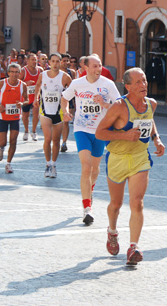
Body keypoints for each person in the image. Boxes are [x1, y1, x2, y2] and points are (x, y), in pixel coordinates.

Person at [95, 67, 165, 266]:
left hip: (139, 157)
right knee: (116, 204)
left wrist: (156, 139)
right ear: (127, 86)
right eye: (138, 82)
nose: (143, 85)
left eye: (144, 81)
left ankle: (134, 247)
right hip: (117, 158)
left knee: (137, 202)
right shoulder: (118, 107)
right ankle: (112, 231)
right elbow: (100, 133)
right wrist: (124, 135)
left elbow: (150, 122)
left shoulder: (151, 104)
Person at [61, 54, 121, 225]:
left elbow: (119, 106)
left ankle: (90, 189)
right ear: (85, 68)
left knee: (95, 169)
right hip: (81, 129)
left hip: (101, 131)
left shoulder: (107, 85)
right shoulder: (77, 83)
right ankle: (87, 208)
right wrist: (65, 111)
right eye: (94, 66)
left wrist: (104, 104)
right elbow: (65, 98)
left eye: (100, 66)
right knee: (86, 167)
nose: (98, 69)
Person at [33, 53, 72, 178]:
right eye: (53, 61)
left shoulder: (65, 77)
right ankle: (47, 164)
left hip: (58, 113)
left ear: (60, 63)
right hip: (45, 111)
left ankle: (54, 164)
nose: (55, 64)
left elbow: (71, 91)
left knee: (56, 140)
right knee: (47, 138)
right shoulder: (43, 75)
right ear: (49, 62)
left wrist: (66, 101)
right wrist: (36, 97)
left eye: (57, 61)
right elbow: (38, 85)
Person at [0, 63, 28, 174]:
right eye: (12, 72)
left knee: (13, 141)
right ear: (8, 73)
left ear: (19, 73)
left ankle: (8, 164)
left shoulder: (23, 85)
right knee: (3, 141)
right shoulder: (2, 83)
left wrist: (22, 103)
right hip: (3, 116)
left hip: (15, 117)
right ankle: (1, 148)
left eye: (17, 72)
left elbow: (27, 100)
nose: (14, 74)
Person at [19, 54, 42, 141]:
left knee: (36, 113)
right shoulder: (23, 70)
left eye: (35, 60)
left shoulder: (40, 70)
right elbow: (17, 81)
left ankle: (34, 131)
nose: (34, 62)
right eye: (32, 60)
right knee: (25, 114)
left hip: (36, 96)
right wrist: (25, 82)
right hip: (26, 97)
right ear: (27, 61)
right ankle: (26, 130)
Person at [59, 53, 77, 152]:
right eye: (64, 61)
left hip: (68, 99)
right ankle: (56, 140)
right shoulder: (55, 72)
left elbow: (74, 86)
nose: (66, 63)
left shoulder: (72, 72)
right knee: (57, 122)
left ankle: (64, 142)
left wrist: (74, 101)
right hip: (56, 100)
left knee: (65, 121)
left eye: (67, 61)